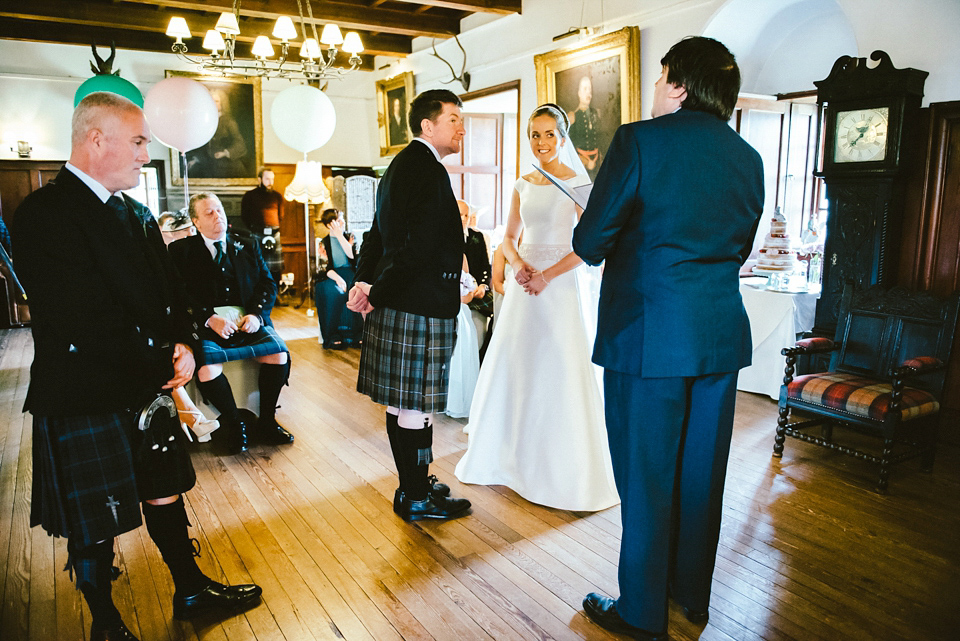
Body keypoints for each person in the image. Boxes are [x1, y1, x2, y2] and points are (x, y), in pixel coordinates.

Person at [11, 91, 262, 641]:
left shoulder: (136, 212)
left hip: (147, 378)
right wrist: (161, 357)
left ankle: (190, 585)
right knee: (94, 515)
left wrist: (186, 345)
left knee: (163, 486)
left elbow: (172, 295)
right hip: (85, 388)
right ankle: (105, 620)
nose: (148, 153)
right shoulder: (42, 214)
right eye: (140, 141)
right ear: (95, 139)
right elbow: (79, 316)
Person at [572, 37, 764, 640]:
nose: (654, 90)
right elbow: (738, 248)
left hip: (649, 338)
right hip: (717, 339)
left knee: (647, 474)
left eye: (660, 79)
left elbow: (589, 242)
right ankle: (691, 596)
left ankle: (641, 612)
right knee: (701, 474)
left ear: (679, 86)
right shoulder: (749, 158)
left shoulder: (639, 141)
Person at [454, 103, 619, 512]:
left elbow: (589, 245)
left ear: (563, 139)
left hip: (559, 285)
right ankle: (509, 452)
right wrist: (518, 265)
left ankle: (560, 460)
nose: (541, 142)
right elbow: (508, 236)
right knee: (518, 362)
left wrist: (546, 275)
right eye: (534, 134)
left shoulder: (578, 186)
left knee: (558, 363)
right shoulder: (522, 183)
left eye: (549, 135)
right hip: (524, 281)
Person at [347, 89, 472, 522]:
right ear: (427, 126)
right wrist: (374, 290)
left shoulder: (400, 165)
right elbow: (415, 248)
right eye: (453, 118)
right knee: (415, 406)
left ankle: (412, 488)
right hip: (417, 304)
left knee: (403, 406)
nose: (461, 126)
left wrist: (365, 282)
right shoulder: (427, 169)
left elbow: (377, 234)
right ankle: (418, 496)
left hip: (401, 301)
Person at [168, 192, 293, 455]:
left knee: (279, 355)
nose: (218, 216)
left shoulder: (248, 243)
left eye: (220, 210)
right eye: (209, 213)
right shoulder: (181, 250)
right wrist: (207, 318)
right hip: (207, 324)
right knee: (206, 370)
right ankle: (236, 426)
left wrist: (256, 316)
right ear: (195, 221)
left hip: (247, 321)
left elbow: (267, 283)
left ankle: (267, 422)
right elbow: (177, 293)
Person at [313, 207, 362, 349]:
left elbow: (352, 256)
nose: (343, 222)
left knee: (356, 290)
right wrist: (338, 279)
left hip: (352, 272)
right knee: (333, 293)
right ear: (330, 224)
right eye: (339, 219)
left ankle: (358, 333)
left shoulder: (350, 237)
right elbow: (324, 268)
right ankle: (332, 335)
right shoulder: (324, 243)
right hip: (332, 275)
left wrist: (340, 235)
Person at [458, 199, 493, 355]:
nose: (464, 219)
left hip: (477, 296)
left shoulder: (477, 237)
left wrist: (483, 286)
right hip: (454, 297)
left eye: (467, 215)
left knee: (477, 339)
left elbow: (486, 268)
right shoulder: (441, 237)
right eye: (460, 215)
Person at [240, 167, 285, 284]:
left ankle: (275, 294)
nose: (270, 182)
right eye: (267, 179)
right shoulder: (249, 196)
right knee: (257, 264)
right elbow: (245, 216)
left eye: (272, 179)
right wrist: (255, 231)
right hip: (256, 234)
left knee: (276, 268)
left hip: (274, 234)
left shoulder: (277, 196)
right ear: (259, 179)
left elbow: (281, 216)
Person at [568, 75, 602, 179]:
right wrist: (585, 162)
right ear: (579, 93)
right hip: (580, 164)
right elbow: (569, 147)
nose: (588, 93)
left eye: (590, 90)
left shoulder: (597, 113)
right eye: (585, 89)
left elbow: (602, 140)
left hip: (597, 163)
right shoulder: (572, 116)